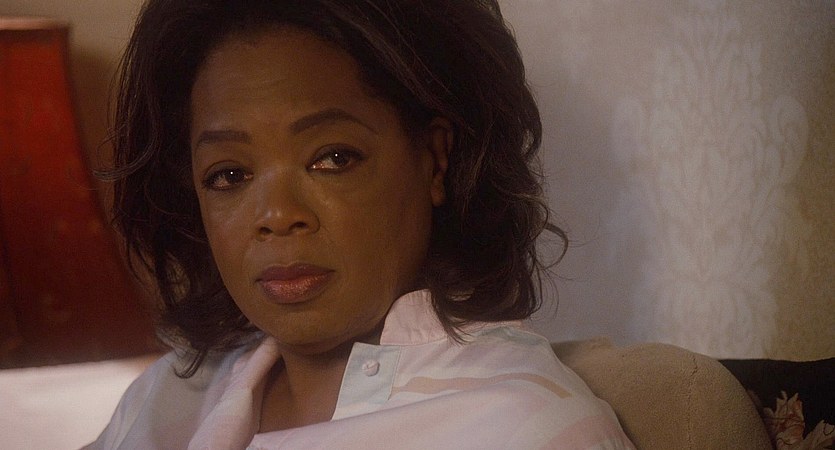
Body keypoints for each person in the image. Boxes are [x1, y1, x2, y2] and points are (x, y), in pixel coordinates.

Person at [88, 0, 634, 448]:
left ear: (434, 160)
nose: (276, 215)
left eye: (333, 159)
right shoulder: (162, 398)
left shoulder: (526, 429)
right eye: (229, 174)